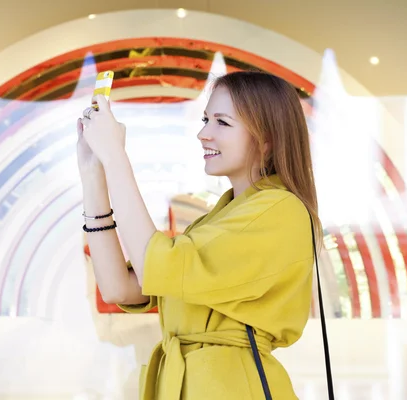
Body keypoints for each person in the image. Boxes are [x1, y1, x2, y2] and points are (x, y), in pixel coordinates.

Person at [77, 71, 322, 400]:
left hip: (228, 388)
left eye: (222, 122)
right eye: (206, 119)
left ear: (268, 139)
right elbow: (118, 287)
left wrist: (115, 157)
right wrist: (93, 173)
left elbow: (153, 265)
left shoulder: (280, 211)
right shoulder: (219, 220)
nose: (203, 133)